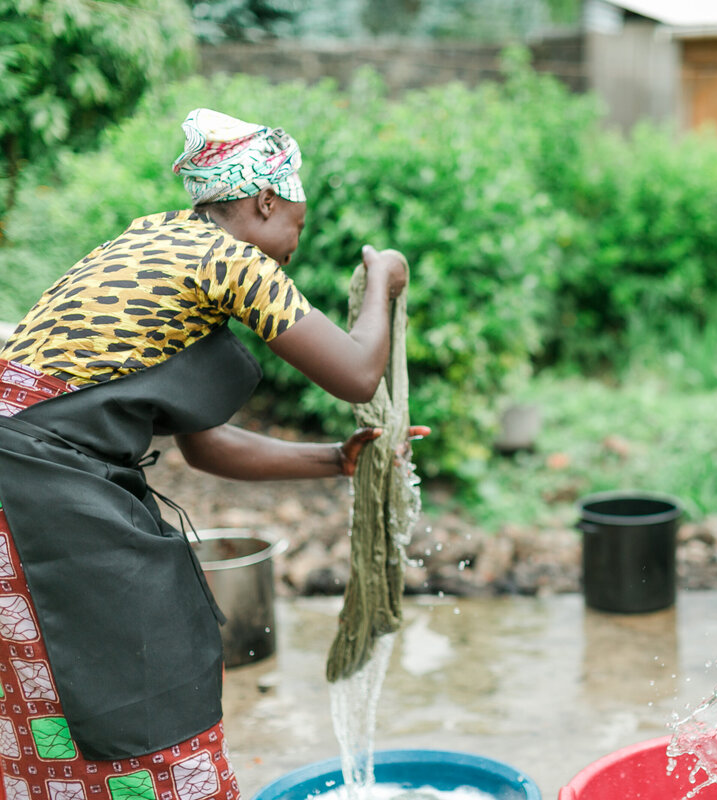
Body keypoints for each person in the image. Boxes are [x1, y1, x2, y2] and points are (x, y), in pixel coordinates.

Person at [0, 108, 426, 799]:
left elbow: (203, 445)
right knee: (139, 673)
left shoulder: (151, 242)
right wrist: (382, 279)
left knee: (53, 692)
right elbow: (357, 373)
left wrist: (335, 459)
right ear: (265, 200)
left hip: (27, 481)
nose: (293, 246)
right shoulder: (228, 258)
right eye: (298, 224)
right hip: (39, 490)